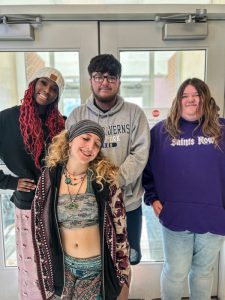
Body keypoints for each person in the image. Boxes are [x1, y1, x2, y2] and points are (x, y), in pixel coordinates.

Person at [66, 54, 149, 299]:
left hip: (128, 205)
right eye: (99, 77)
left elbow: (140, 153)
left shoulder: (135, 113)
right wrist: (93, 186)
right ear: (90, 80)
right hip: (89, 205)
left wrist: (113, 182)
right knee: (92, 262)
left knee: (124, 262)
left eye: (111, 77)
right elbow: (69, 156)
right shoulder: (78, 115)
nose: (105, 82)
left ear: (119, 81)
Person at [142, 78, 225, 300]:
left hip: (215, 216)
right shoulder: (161, 132)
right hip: (176, 215)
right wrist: (152, 197)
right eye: (185, 95)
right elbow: (147, 169)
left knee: (203, 273)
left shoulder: (222, 129)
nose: (190, 100)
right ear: (178, 101)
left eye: (196, 95)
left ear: (205, 98)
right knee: (175, 272)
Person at [31, 119, 130, 300]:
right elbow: (39, 227)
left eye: (97, 144)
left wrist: (124, 276)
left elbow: (121, 230)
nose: (90, 146)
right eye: (85, 138)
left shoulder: (105, 181)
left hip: (96, 271)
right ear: (70, 140)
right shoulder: (49, 178)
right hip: (64, 269)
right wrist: (44, 273)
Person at [0, 67, 65, 299]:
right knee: (33, 267)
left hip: (58, 205)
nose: (47, 91)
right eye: (43, 83)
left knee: (58, 264)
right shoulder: (6, 119)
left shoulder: (60, 125)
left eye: (54, 89)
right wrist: (9, 182)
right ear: (33, 83)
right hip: (27, 206)